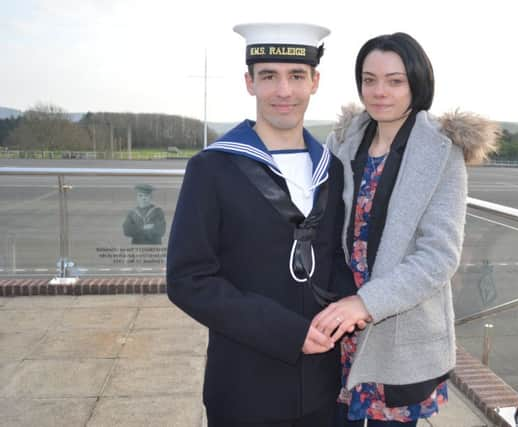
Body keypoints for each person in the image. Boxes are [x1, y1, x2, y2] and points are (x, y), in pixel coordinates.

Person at [166, 23, 353, 427]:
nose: (283, 91)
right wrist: (288, 332)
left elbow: (335, 257)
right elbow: (188, 279)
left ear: (314, 82)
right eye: (269, 76)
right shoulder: (211, 168)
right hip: (245, 386)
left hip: (322, 388)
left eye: (296, 76)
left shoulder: (332, 169)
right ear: (250, 83)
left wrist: (348, 307)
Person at [314, 32, 499, 426]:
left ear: (417, 82)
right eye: (369, 79)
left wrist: (367, 303)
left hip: (399, 333)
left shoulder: (441, 150)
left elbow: (438, 256)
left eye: (395, 81)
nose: (379, 91)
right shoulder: (344, 140)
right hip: (340, 327)